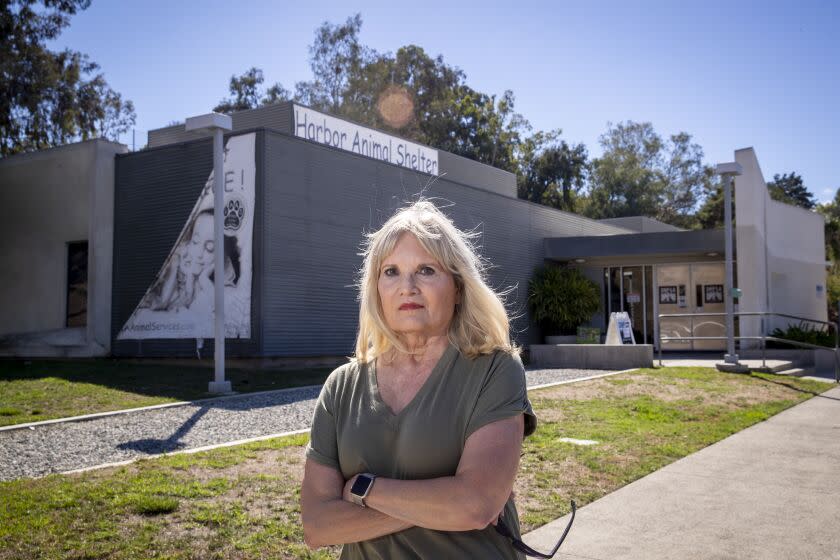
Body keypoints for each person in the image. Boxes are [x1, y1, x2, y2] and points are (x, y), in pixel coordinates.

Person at [301, 200, 537, 559]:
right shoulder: (341, 387)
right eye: (391, 271)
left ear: (458, 288)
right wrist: (441, 505)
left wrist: (363, 489)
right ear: (376, 289)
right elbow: (317, 526)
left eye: (426, 270)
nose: (406, 286)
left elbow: (475, 506)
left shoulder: (495, 370)